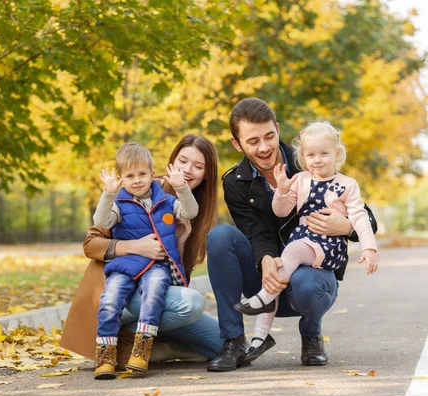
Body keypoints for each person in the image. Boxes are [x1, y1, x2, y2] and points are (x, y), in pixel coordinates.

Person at [206, 98, 378, 372]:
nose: (264, 147)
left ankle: (311, 334)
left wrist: (344, 226)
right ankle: (233, 341)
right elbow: (255, 232)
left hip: (309, 279)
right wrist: (266, 259)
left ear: (277, 128)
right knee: (220, 237)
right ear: (237, 144)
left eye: (269, 136)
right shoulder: (234, 182)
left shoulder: (311, 158)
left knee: (307, 283)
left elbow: (367, 218)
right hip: (266, 283)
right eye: (252, 141)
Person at [60, 135, 224, 376]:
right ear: (170, 162)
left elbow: (177, 276)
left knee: (221, 345)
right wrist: (135, 246)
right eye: (183, 161)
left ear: (207, 174)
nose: (188, 170)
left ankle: (160, 349)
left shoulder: (184, 205)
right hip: (123, 283)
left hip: (157, 283)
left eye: (198, 166)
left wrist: (179, 243)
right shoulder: (134, 190)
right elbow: (91, 243)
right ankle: (119, 337)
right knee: (191, 303)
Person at [91, 142, 199, 378]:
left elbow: (190, 212)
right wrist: (108, 193)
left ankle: (143, 347)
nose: (137, 180)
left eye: (142, 174)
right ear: (121, 179)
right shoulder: (119, 205)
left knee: (154, 293)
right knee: (110, 299)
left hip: (156, 266)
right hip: (125, 267)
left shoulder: (167, 202)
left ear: (152, 173)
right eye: (130, 176)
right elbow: (101, 221)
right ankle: (106, 354)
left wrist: (181, 188)